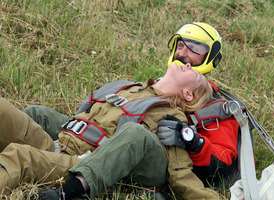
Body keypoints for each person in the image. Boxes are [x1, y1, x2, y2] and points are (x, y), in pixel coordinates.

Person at [23, 22, 240, 189]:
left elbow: (223, 164)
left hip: (139, 156)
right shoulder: (160, 83)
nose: (182, 53)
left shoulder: (215, 108)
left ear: (210, 57)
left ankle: (63, 173)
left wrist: (193, 142)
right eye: (180, 46)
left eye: (194, 48)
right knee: (36, 113)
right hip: (106, 135)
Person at [0, 63, 219, 199]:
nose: (188, 65)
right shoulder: (132, 88)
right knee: (30, 112)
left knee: (19, 156)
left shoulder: (173, 119)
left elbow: (181, 174)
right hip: (61, 142)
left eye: (196, 74)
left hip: (82, 164)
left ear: (188, 94)